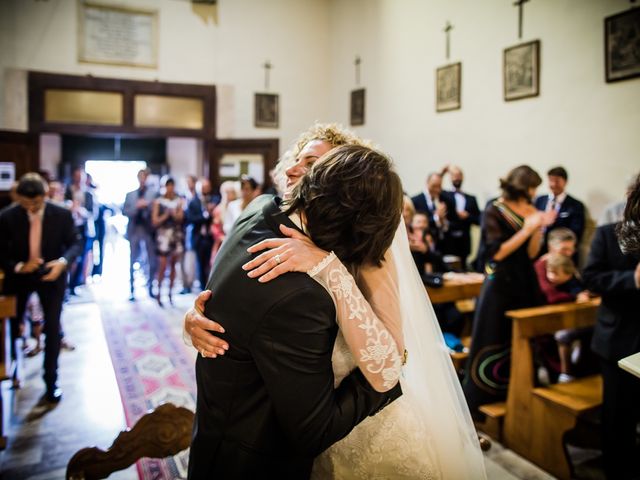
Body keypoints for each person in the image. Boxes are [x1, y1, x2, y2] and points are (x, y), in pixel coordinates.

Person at [185, 125, 486, 478]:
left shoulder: (368, 253)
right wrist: (197, 314)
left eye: (312, 163)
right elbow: (240, 288)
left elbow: (391, 356)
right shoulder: (265, 214)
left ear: (341, 187)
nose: (294, 171)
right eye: (297, 160)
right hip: (295, 417)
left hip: (356, 417)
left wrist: (330, 270)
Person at [189, 145, 405, 477]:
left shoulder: (260, 209)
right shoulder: (299, 296)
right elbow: (314, 431)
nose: (295, 171)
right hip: (252, 461)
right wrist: (388, 372)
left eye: (312, 165)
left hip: (216, 432)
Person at [463, 165, 555, 415]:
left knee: (524, 340)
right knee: (493, 335)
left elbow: (533, 253)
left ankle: (519, 395)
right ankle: (483, 397)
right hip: (499, 284)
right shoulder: (495, 208)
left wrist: (539, 229)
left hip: (525, 282)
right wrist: (527, 229)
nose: (535, 192)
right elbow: (497, 252)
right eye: (532, 187)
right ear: (522, 186)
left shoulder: (532, 210)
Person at [0, 173, 82, 402]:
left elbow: (76, 243)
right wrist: (18, 266)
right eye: (26, 204)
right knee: (14, 327)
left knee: (53, 328)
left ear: (44, 196)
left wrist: (63, 262)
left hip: (51, 276)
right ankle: (13, 370)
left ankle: (51, 383)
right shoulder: (7, 217)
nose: (32, 208)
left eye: (36, 203)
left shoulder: (62, 215)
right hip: (20, 278)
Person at [583, 176, 640, 480]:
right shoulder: (607, 234)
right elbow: (590, 278)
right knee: (618, 417)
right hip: (617, 338)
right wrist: (632, 280)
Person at [534, 166, 586, 259]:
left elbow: (576, 232)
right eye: (550, 180)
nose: (553, 184)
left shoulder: (576, 205)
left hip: (561, 250)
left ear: (565, 182)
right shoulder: (539, 200)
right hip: (538, 248)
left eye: (557, 181)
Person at [123, 169, 157, 301]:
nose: (143, 179)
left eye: (145, 177)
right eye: (141, 177)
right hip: (134, 229)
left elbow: (156, 210)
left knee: (151, 260)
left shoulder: (153, 193)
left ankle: (150, 288)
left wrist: (147, 206)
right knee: (132, 259)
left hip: (148, 230)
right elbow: (125, 211)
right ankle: (132, 289)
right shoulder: (130, 194)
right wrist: (137, 207)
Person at [151, 176, 184, 306]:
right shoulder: (158, 202)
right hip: (163, 236)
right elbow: (154, 221)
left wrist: (175, 214)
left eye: (172, 185)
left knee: (173, 266)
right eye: (167, 185)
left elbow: (180, 218)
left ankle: (170, 293)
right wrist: (166, 215)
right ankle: (159, 292)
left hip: (175, 235)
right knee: (162, 266)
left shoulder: (178, 201)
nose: (170, 188)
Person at [443, 165, 481, 269]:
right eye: (454, 175)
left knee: (464, 267)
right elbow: (435, 188)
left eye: (459, 175)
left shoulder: (471, 198)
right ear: (450, 178)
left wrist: (467, 216)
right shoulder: (445, 195)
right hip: (449, 239)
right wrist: (442, 173)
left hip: (464, 240)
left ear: (462, 177)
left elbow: (479, 220)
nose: (457, 178)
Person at [411, 172, 455, 249]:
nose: (437, 189)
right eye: (434, 186)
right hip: (424, 244)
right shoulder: (415, 201)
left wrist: (443, 221)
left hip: (444, 244)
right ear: (427, 183)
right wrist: (436, 217)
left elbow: (453, 221)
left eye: (439, 186)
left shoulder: (446, 200)